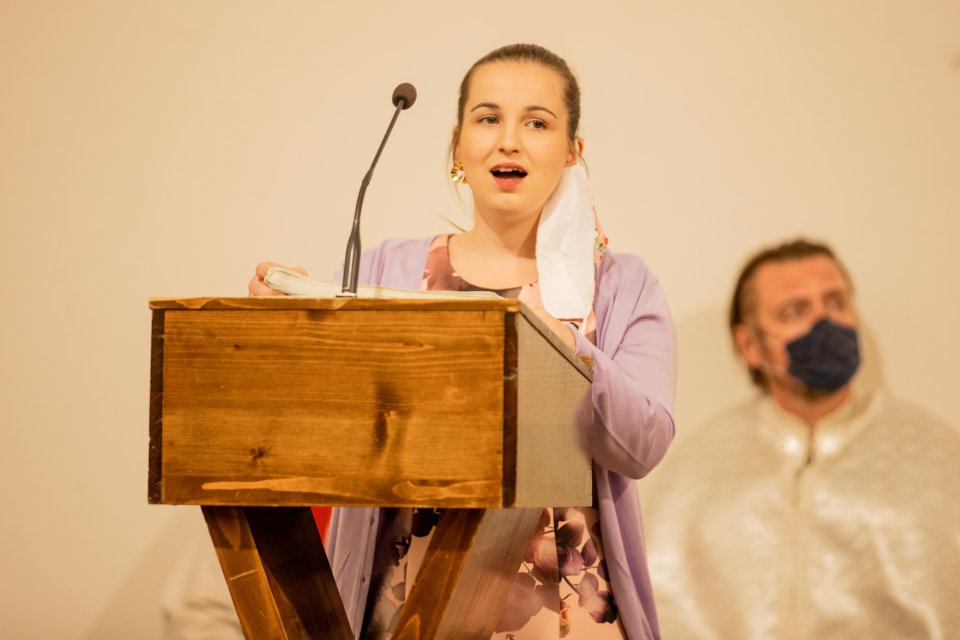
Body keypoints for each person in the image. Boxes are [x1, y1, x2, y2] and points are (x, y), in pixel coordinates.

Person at [248, 43, 677, 639]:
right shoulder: (389, 269)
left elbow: (644, 444)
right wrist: (281, 335)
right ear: (458, 146)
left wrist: (563, 345)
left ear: (573, 152)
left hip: (566, 611)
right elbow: (328, 424)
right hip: (409, 596)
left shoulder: (623, 284)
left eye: (537, 123)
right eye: (488, 118)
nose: (509, 141)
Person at [640, 238, 960, 639]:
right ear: (750, 345)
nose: (825, 323)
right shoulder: (698, 471)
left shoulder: (936, 459)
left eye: (836, 302)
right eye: (795, 311)